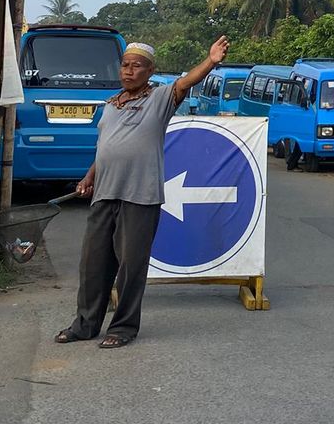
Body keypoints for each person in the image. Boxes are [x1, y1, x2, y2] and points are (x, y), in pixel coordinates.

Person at [55, 35, 230, 349]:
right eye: (125, 65)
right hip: (104, 193)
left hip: (140, 195)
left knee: (130, 266)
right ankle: (86, 324)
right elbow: (104, 148)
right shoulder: (110, 105)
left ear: (150, 71)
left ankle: (123, 327)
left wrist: (210, 61)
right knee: (93, 264)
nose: (129, 71)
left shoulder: (160, 99)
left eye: (137, 66)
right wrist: (88, 177)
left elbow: (183, 83)